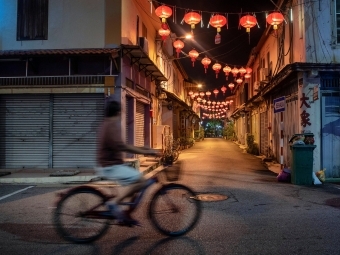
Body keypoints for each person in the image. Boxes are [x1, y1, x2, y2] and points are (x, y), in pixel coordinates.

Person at [96, 100, 159, 225]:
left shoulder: (107, 123)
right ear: (118, 112)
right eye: (121, 111)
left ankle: (126, 213)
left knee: (136, 182)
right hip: (110, 166)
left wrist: (143, 149)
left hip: (111, 164)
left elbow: (122, 145)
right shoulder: (112, 125)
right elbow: (122, 147)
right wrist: (146, 152)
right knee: (141, 180)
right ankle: (114, 203)